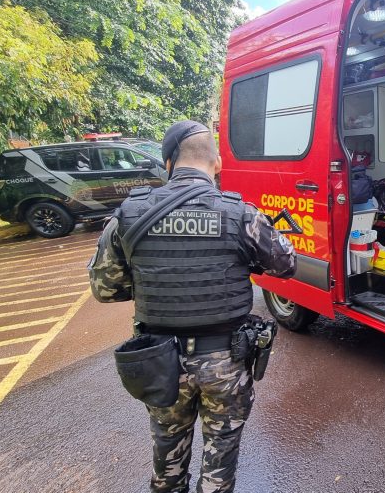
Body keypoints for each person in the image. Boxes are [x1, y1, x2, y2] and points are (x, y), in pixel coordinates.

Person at [88, 120, 296, 493]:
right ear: (217, 164)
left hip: (160, 361)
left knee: (167, 453)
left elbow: (105, 290)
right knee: (221, 456)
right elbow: (285, 265)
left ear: (167, 163)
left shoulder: (129, 214)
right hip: (226, 362)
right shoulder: (241, 214)